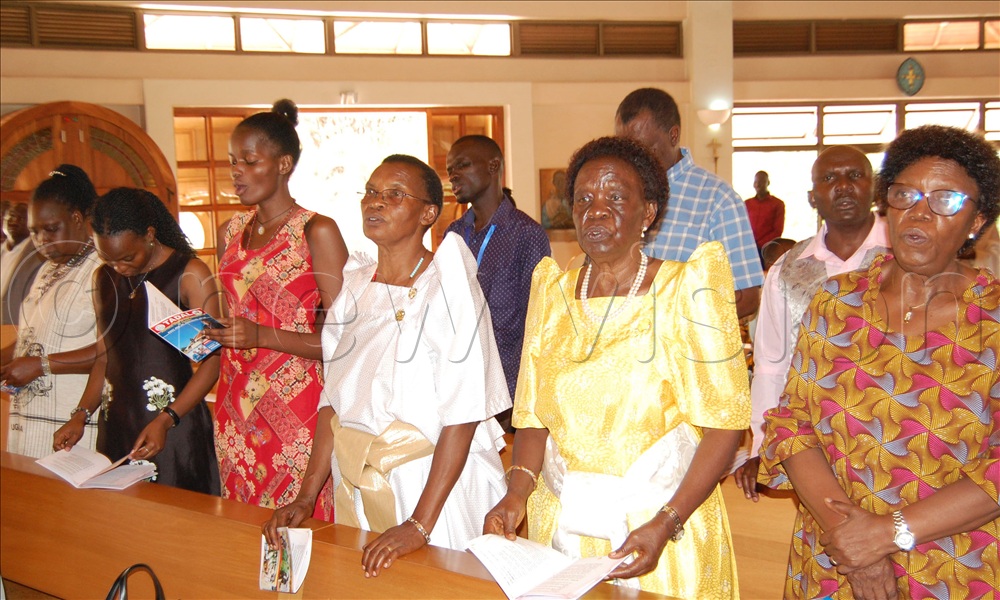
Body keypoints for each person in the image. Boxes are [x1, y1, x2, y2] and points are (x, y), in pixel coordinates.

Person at [484, 137, 750, 598]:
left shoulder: (688, 288)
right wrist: (516, 494)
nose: (596, 212)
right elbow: (531, 418)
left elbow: (726, 427)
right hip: (563, 523)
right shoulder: (552, 291)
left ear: (648, 212)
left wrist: (666, 522)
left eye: (615, 198)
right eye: (583, 199)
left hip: (659, 525)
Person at [759, 125, 1000, 598]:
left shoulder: (992, 321)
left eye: (945, 200)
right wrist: (854, 543)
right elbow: (791, 424)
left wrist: (888, 533)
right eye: (905, 194)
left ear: (977, 222)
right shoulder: (835, 301)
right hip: (835, 556)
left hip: (952, 563)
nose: (919, 213)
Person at [263, 154, 510, 578]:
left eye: (394, 195)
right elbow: (332, 403)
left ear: (428, 213)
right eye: (371, 193)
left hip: (431, 488)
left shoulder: (448, 284)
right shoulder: (356, 283)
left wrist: (419, 523)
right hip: (358, 480)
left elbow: (464, 413)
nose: (375, 203)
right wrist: (307, 496)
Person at [203, 100, 349, 515]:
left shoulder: (316, 231)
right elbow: (235, 313)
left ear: (283, 164)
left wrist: (262, 335)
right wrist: (210, 330)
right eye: (233, 162)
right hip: (234, 402)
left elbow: (344, 340)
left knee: (299, 528)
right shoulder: (229, 231)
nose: (237, 172)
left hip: (295, 404)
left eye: (250, 161)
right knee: (242, 521)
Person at [735, 147, 889, 501]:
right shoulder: (787, 269)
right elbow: (772, 366)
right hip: (813, 443)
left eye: (855, 175)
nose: (844, 187)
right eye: (829, 178)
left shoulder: (906, 255)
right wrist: (762, 443)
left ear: (875, 188)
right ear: (812, 197)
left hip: (893, 433)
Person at [52, 188, 221, 494]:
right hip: (117, 426)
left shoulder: (187, 275)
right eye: (108, 258)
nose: (119, 267)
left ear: (150, 235)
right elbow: (105, 359)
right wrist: (80, 415)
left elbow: (211, 364)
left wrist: (167, 419)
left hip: (172, 429)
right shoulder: (103, 279)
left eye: (128, 257)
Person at [614, 88, 763, 320]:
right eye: (627, 151)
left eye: (644, 150)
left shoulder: (717, 199)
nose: (635, 160)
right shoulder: (618, 194)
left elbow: (746, 297)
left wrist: (674, 323)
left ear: (673, 136)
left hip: (685, 349)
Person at [444, 135, 550, 432]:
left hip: (509, 389)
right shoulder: (453, 235)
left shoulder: (527, 234)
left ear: (493, 166)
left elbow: (538, 320)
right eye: (450, 168)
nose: (452, 175)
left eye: (462, 165)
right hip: (460, 380)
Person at [0, 165, 100, 458]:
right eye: (34, 232)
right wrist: (7, 358)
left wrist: (41, 365)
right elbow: (33, 337)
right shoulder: (46, 269)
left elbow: (114, 349)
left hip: (72, 420)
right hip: (29, 417)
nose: (42, 240)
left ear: (78, 218)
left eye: (50, 229)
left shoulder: (102, 269)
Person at [1, 201, 44, 325]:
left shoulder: (39, 254)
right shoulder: (2, 251)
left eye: (21, 218)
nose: (14, 221)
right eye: (11, 216)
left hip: (16, 325)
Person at [744, 170, 786, 257]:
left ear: (768, 183)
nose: (758, 185)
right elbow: (741, 226)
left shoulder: (777, 204)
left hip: (767, 250)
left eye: (762, 181)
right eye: (756, 182)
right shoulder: (747, 204)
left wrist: (759, 244)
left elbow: (777, 230)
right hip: (748, 247)